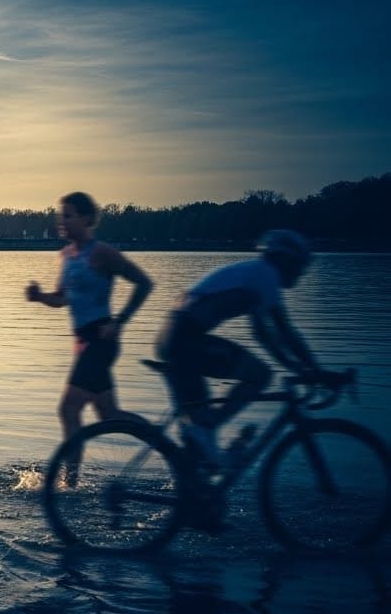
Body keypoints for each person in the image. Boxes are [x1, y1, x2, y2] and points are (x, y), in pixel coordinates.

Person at [156, 229, 338, 468]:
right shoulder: (266, 274)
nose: (301, 272)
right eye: (300, 266)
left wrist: (300, 368)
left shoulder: (255, 273)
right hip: (184, 340)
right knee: (259, 375)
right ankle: (208, 427)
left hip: (175, 337)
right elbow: (284, 332)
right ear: (286, 260)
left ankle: (194, 468)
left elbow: (263, 334)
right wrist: (312, 369)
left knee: (202, 449)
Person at [26, 191, 153, 445]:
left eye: (68, 216)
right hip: (83, 342)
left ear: (86, 219)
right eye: (60, 216)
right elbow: (62, 298)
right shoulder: (66, 255)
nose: (61, 222)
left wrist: (119, 321)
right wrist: (40, 297)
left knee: (68, 409)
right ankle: (166, 445)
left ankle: (68, 475)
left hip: (100, 341)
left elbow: (144, 283)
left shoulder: (102, 253)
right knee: (109, 414)